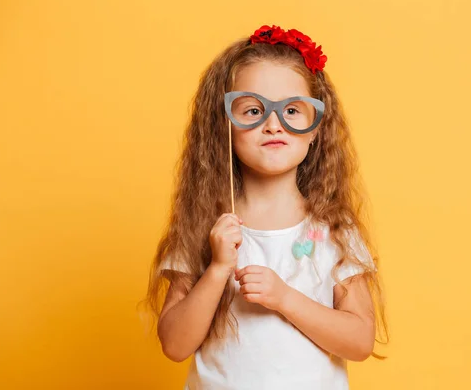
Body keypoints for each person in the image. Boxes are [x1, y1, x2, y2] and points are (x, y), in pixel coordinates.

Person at [142, 24, 389, 390]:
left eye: (292, 110)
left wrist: (285, 299)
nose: (273, 125)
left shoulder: (334, 230)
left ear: (316, 126)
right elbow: (175, 345)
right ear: (224, 123)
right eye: (253, 110)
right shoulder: (203, 227)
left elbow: (359, 342)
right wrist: (218, 269)